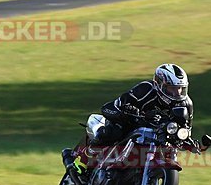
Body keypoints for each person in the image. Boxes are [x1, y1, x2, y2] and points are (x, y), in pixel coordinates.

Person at [63, 64, 193, 175]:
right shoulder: (146, 89)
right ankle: (82, 162)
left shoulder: (186, 104)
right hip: (131, 122)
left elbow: (186, 128)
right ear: (159, 84)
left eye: (181, 88)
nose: (177, 93)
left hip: (159, 133)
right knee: (112, 132)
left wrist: (189, 140)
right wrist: (134, 112)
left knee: (169, 149)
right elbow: (121, 103)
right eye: (172, 88)